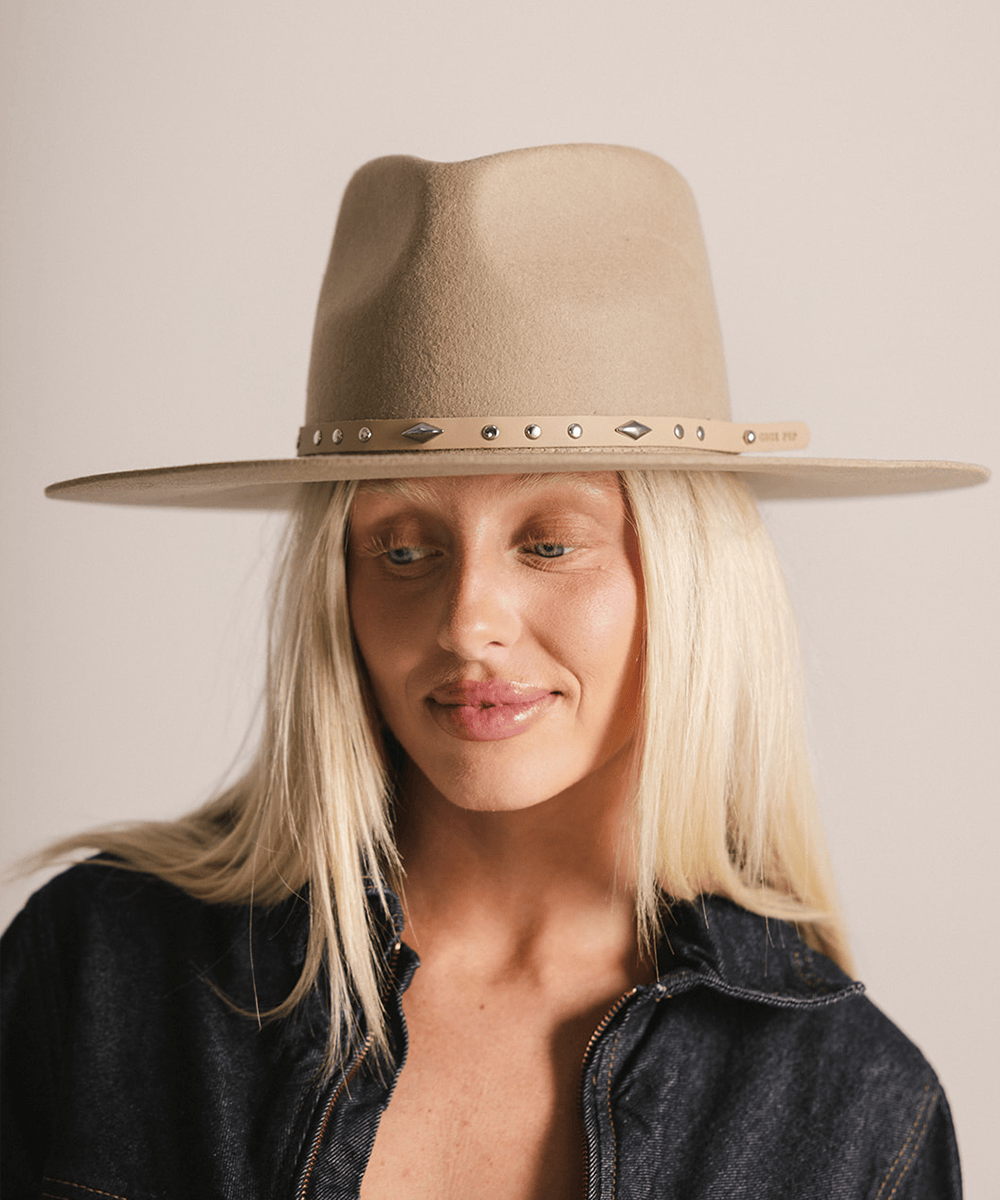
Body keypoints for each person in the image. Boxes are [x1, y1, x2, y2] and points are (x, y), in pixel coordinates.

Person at [1, 144, 986, 1199]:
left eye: (550, 543)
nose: (468, 624)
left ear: (692, 585)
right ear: (337, 586)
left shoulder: (856, 1115)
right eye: (404, 548)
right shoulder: (104, 970)